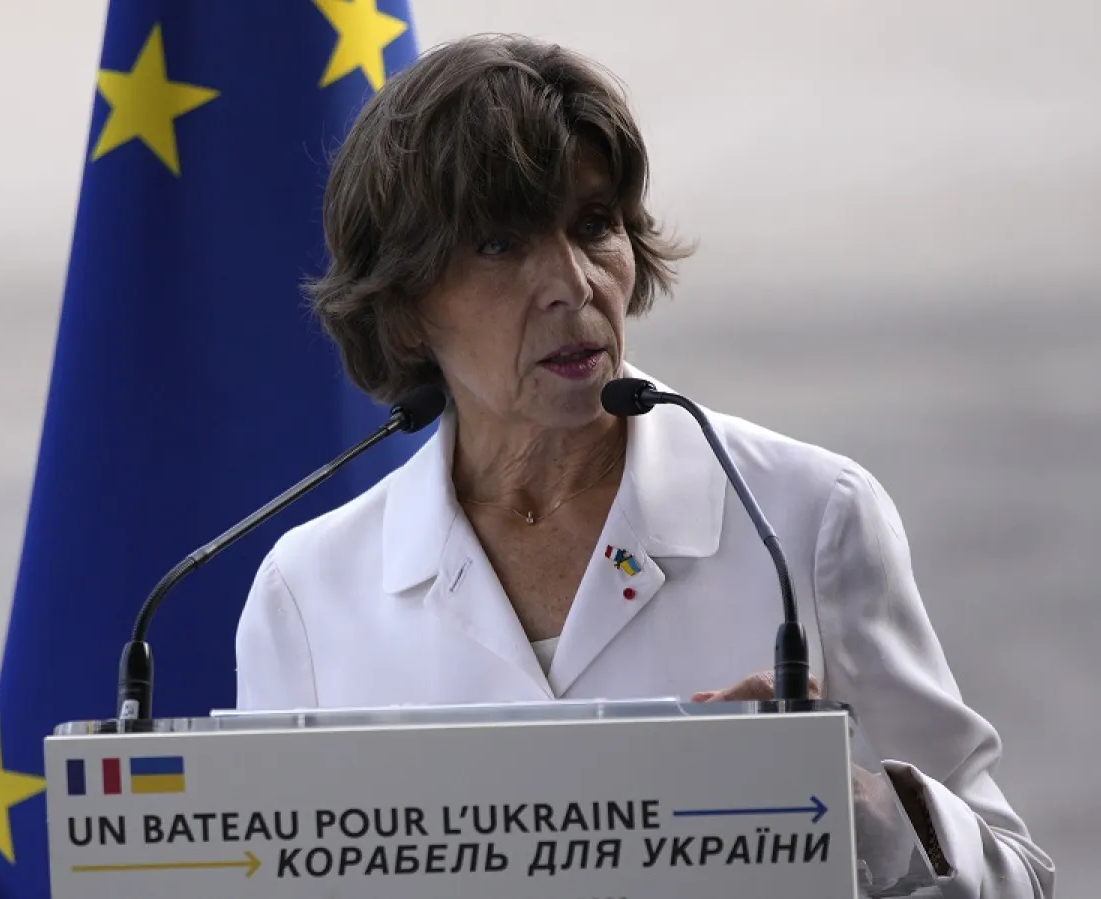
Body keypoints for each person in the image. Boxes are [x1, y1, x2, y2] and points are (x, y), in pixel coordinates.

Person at [235, 33, 1054, 898]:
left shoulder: (808, 519)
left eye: (594, 226)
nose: (573, 283)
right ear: (403, 307)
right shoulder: (310, 593)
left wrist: (859, 812)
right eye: (500, 244)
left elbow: (1020, 877)